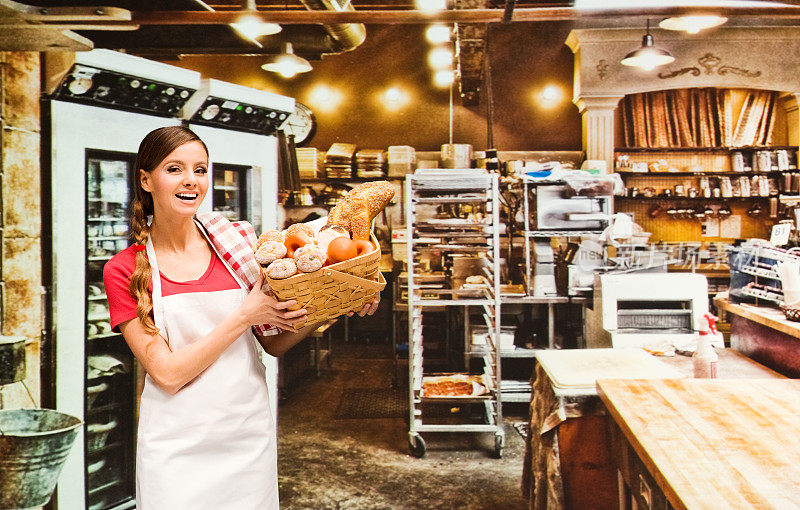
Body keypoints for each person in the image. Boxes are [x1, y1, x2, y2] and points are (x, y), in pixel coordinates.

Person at [103, 126, 379, 509]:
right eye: (174, 169)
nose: (190, 181)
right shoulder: (125, 269)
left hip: (246, 440)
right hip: (176, 449)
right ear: (146, 179)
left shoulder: (237, 248)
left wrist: (337, 300)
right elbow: (166, 374)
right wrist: (242, 315)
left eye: (200, 170)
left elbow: (274, 341)